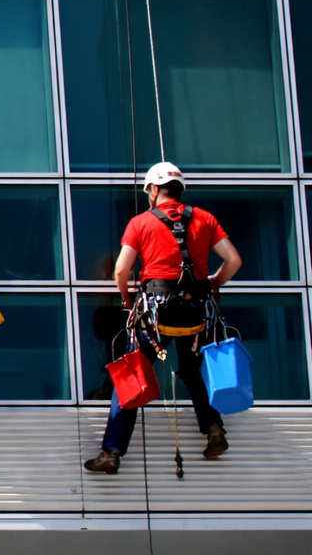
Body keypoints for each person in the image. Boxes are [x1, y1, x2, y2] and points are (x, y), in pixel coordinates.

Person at [84, 162, 242, 474]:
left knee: (133, 375)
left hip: (155, 314)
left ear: (154, 190)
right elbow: (234, 260)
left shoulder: (141, 222)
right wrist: (214, 283)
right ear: (180, 189)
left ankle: (112, 452)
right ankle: (214, 431)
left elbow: (121, 270)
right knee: (192, 371)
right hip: (194, 314)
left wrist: (127, 298)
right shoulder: (205, 218)